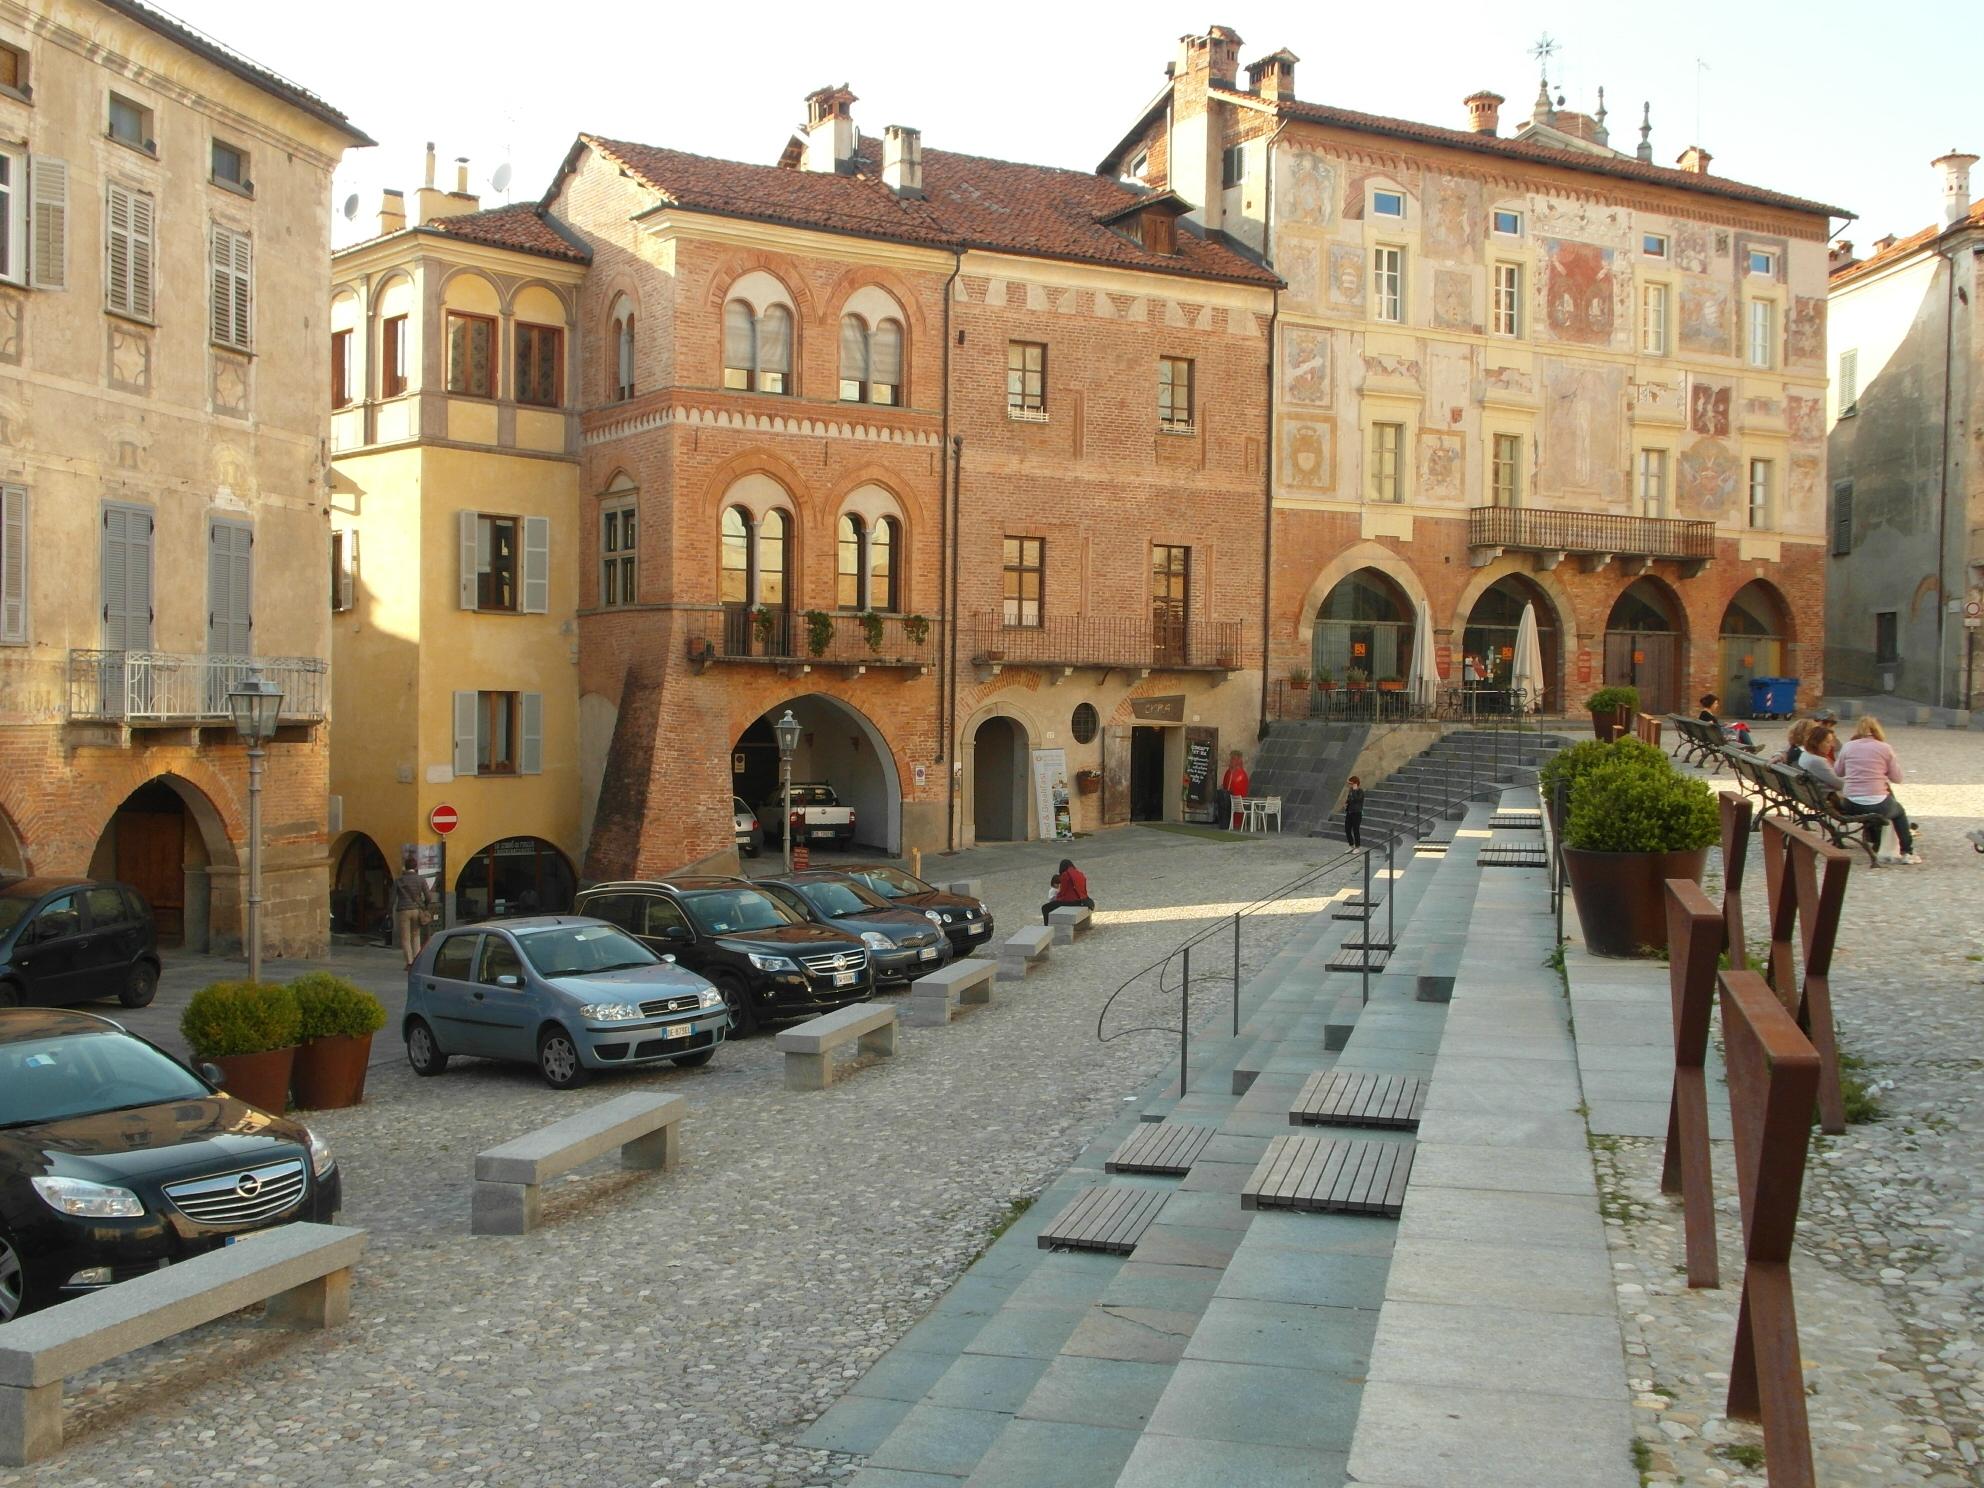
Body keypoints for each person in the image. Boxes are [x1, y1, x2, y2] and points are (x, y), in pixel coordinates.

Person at [1835, 716, 1919, 864]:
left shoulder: (1848, 746)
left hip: (1851, 803)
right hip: (1879, 803)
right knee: (1898, 812)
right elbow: (1897, 778)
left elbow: (1838, 772)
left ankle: (1877, 840)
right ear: (1877, 730)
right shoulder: (1884, 748)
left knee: (1885, 806)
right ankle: (1907, 850)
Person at [391, 854, 434, 967]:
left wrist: (389, 910)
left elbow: (392, 898)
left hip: (403, 910)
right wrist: (424, 905)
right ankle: (417, 960)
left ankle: (409, 962)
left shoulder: (399, 881)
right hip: (417, 909)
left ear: (405, 867)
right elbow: (428, 896)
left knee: (405, 937)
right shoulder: (420, 879)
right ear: (415, 867)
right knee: (416, 935)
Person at [1042, 859, 1094, 926]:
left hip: (1071, 902)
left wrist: (1056, 899)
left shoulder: (1065, 875)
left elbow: (1062, 893)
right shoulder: (1080, 873)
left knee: (1045, 908)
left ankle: (1047, 928)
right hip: (1082, 901)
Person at [1219, 750, 1250, 831]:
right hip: (1229, 801)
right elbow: (1226, 786)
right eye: (1231, 759)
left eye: (1233, 759)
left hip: (1236, 802)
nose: (1231, 761)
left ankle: (1236, 824)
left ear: (1238, 760)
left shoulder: (1241, 774)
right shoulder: (1229, 772)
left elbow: (1240, 789)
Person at [1343, 776, 1365, 849]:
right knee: (1347, 829)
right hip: (1350, 812)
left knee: (1356, 830)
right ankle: (1351, 845)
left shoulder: (1360, 791)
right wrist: (1346, 804)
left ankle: (1357, 847)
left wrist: (1355, 790)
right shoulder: (1351, 790)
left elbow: (1357, 800)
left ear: (1355, 783)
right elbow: (1349, 799)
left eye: (1351, 783)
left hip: (1357, 813)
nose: (1349, 785)